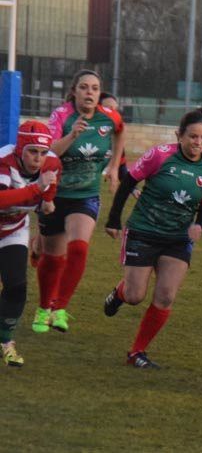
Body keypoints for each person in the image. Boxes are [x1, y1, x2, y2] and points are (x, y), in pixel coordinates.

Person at [102, 109, 202, 369]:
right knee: (135, 296)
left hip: (177, 238)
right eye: (192, 136)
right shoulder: (160, 155)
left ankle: (137, 352)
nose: (197, 143)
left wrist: (200, 225)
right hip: (143, 231)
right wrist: (113, 219)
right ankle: (120, 293)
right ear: (179, 135)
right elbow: (128, 182)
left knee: (166, 295)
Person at [32, 69, 125, 334]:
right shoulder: (61, 116)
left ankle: (60, 308)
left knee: (79, 249)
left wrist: (115, 167)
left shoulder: (109, 118)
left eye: (95, 88)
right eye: (84, 87)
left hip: (86, 195)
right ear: (74, 91)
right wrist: (72, 134)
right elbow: (48, 153)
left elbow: (121, 131)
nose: (90, 93)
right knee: (52, 259)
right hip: (55, 195)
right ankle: (42, 308)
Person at [0, 121, 61, 366]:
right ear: (20, 149)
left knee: (16, 287)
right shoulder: (4, 161)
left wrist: (48, 200)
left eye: (43, 152)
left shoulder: (53, 163)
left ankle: (6, 342)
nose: (38, 158)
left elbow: (50, 188)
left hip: (13, 230)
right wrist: (38, 188)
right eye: (32, 152)